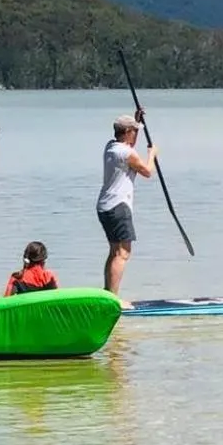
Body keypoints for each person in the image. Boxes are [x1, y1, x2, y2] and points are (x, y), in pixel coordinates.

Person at [96, 109, 156, 305]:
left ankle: (108, 294)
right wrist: (152, 154)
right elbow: (147, 171)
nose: (135, 134)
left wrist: (137, 121)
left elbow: (130, 143)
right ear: (127, 132)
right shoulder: (127, 153)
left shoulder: (110, 146)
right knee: (123, 253)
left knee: (115, 252)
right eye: (134, 130)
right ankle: (113, 299)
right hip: (118, 207)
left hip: (105, 206)